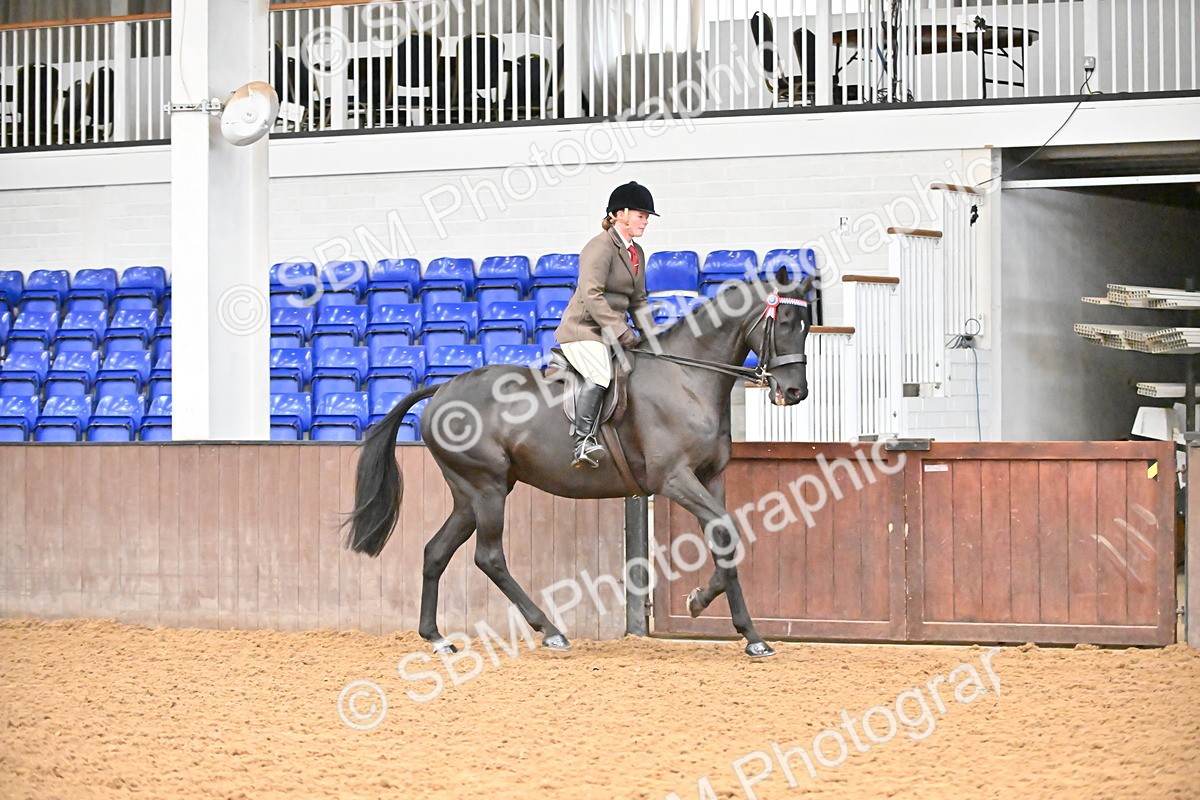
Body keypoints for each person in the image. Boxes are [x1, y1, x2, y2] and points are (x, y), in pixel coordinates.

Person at [555, 181, 656, 469]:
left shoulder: (637, 253)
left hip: (610, 333)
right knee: (600, 375)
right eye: (641, 215)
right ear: (621, 214)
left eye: (647, 217)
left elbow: (639, 300)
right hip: (584, 330)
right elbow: (592, 294)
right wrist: (621, 330)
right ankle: (584, 440)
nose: (646, 222)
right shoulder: (599, 247)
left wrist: (654, 337)